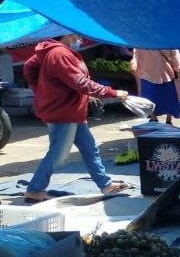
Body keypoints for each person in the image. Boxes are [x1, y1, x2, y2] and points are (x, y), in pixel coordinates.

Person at [21, 33, 132, 203]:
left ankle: (106, 184)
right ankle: (34, 190)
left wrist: (42, 90)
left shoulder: (54, 51)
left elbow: (30, 66)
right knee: (58, 154)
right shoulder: (59, 54)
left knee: (90, 148)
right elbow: (81, 82)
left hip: (72, 110)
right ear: (67, 34)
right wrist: (113, 93)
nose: (80, 39)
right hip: (63, 112)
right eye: (77, 35)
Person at [130, 48, 180, 124]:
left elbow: (174, 52)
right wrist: (134, 64)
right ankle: (153, 118)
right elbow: (136, 53)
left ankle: (168, 119)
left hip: (165, 72)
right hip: (146, 73)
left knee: (169, 97)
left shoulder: (167, 39)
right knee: (148, 98)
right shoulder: (142, 39)